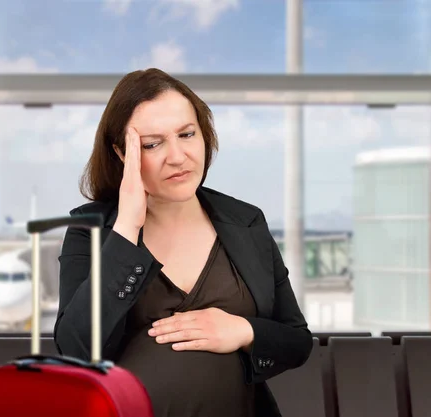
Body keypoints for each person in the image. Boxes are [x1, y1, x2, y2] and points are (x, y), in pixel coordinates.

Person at [53, 68, 313, 417]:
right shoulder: (90, 230)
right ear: (121, 153)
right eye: (152, 143)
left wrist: (243, 330)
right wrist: (127, 227)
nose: (177, 156)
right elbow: (78, 351)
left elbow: (296, 340)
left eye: (187, 134)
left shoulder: (246, 222)